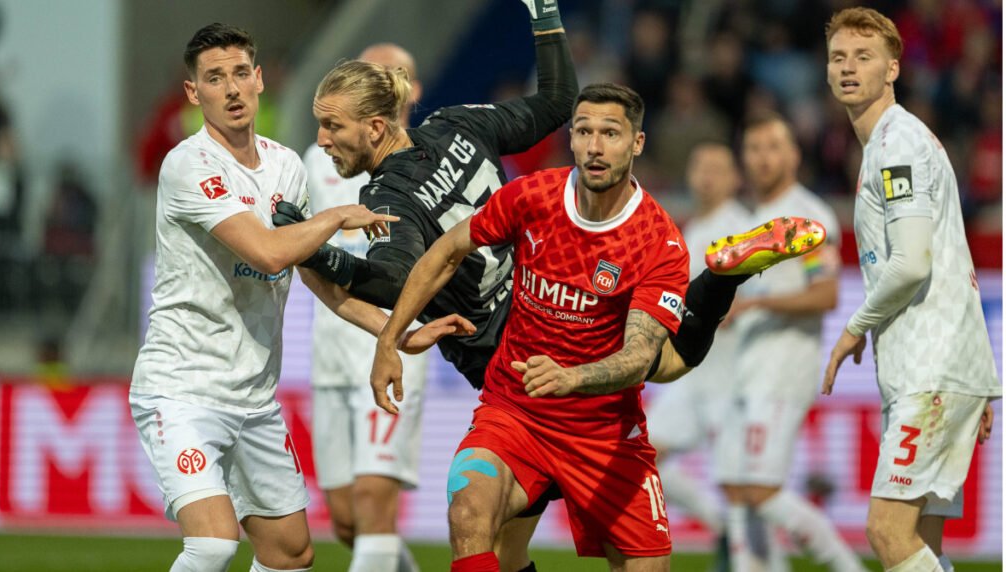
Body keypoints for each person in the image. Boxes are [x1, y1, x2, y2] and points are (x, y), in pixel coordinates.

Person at [370, 84, 826, 572]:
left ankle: (717, 283)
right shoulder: (532, 196)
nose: (594, 145)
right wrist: (388, 340)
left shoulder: (656, 239)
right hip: (516, 411)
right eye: (583, 131)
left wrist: (572, 378)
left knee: (669, 364)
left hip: (604, 430)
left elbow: (637, 360)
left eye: (610, 133)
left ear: (637, 143)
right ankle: (717, 283)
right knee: (468, 511)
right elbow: (446, 251)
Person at [273, 2, 579, 569]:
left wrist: (308, 246)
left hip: (512, 374)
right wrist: (543, 13)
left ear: (374, 127)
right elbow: (558, 101)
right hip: (559, 330)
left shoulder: (388, 196)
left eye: (333, 126)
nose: (323, 138)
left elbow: (392, 280)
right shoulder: (460, 122)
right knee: (510, 541)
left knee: (474, 520)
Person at [129, 23, 403, 572]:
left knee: (290, 553)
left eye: (238, 74)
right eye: (213, 78)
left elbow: (311, 275)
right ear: (193, 93)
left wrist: (395, 332)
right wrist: (335, 216)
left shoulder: (287, 166)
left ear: (258, 80)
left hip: (253, 397)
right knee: (212, 543)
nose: (230, 89)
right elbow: (268, 253)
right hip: (182, 389)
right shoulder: (189, 165)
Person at [822, 8, 1000, 572]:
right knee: (924, 543)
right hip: (943, 367)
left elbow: (913, 262)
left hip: (932, 371)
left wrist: (855, 327)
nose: (848, 68)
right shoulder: (891, 142)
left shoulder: (897, 143)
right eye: (838, 57)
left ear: (893, 68)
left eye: (864, 56)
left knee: (886, 532)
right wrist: (979, 375)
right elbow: (951, 257)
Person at [713, 112, 864, 572]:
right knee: (738, 490)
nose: (762, 158)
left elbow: (827, 292)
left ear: (794, 154)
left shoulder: (809, 217)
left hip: (782, 372)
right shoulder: (753, 220)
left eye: (773, 147)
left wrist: (755, 307)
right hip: (746, 372)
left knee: (762, 491)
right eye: (754, 149)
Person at [301, 42, 428, 572]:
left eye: (394, 72)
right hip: (332, 357)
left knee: (376, 502)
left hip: (394, 348)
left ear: (411, 90)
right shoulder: (316, 157)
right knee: (348, 521)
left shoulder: (428, 158)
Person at [644, 142, 751, 565]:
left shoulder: (741, 227)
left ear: (733, 179)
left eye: (717, 168)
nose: (707, 175)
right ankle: (720, 527)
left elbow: (750, 300)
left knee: (739, 485)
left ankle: (746, 554)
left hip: (732, 375)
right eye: (700, 166)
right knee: (644, 456)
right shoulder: (690, 228)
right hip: (690, 371)